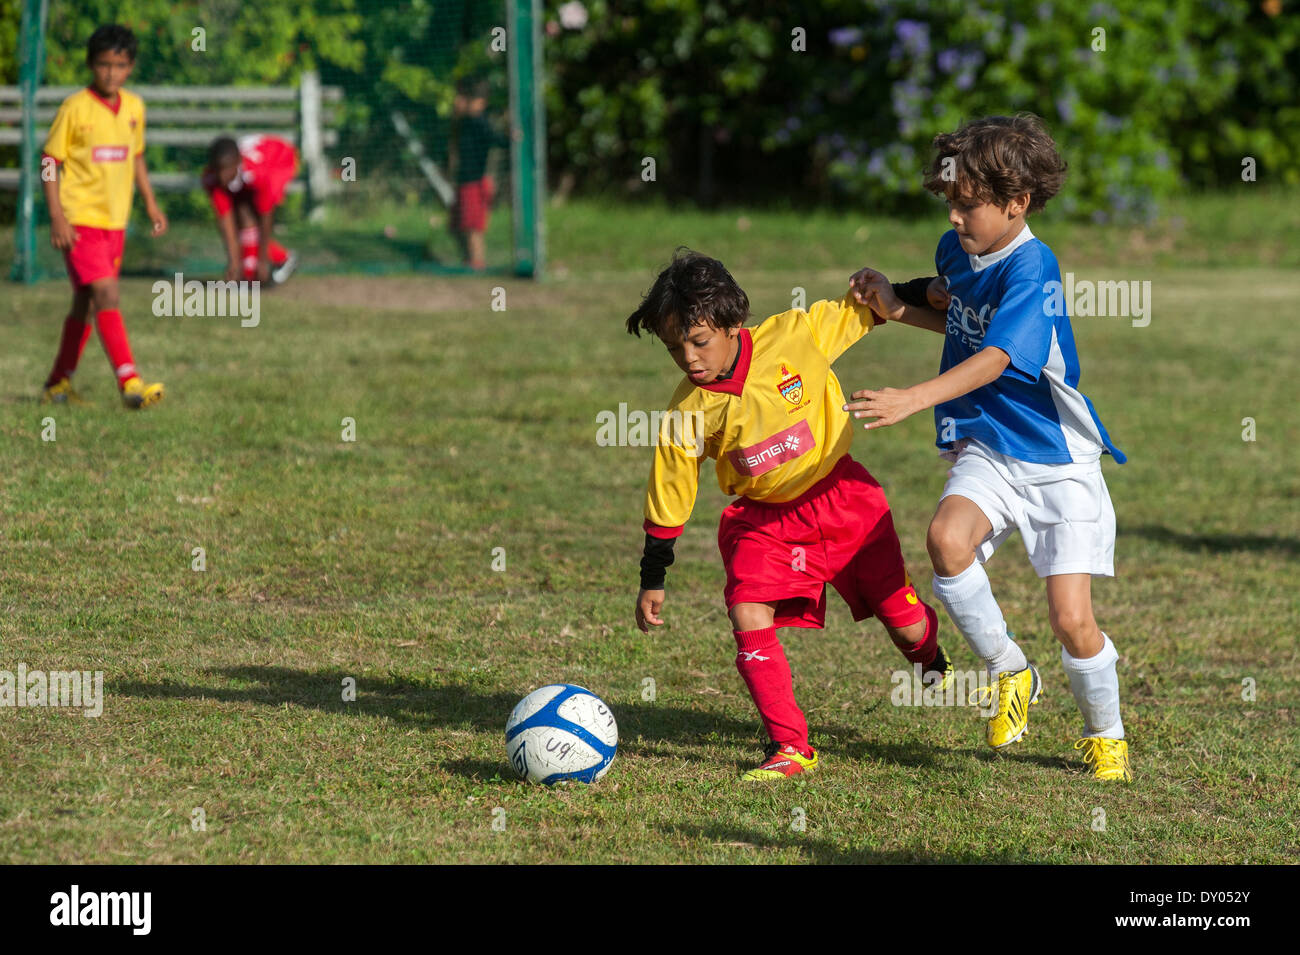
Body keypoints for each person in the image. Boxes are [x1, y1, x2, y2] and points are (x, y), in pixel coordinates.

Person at [845, 114, 1132, 781]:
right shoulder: (960, 250)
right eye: (948, 201)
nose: (953, 216)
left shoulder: (1034, 267)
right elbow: (955, 310)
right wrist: (894, 303)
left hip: (1057, 459)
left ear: (1016, 203)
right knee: (946, 539)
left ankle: (1107, 734)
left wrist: (913, 396)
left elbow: (1001, 354)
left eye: (966, 204)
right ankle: (1010, 671)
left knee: (1070, 619)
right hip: (990, 445)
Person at [628, 249, 952, 782]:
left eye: (699, 340)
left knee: (906, 622)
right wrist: (653, 577)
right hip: (765, 523)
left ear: (733, 323)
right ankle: (790, 746)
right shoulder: (686, 412)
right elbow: (670, 492)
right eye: (674, 347)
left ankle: (931, 660)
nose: (688, 357)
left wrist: (926, 288)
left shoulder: (795, 336)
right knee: (746, 610)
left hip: (845, 500)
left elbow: (869, 306)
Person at [41, 24, 167, 409]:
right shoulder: (74, 108)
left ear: (130, 67)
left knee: (86, 301)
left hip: (115, 222)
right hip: (80, 221)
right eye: (103, 64)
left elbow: (137, 155)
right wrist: (58, 216)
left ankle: (57, 384)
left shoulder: (134, 108)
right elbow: (49, 161)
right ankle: (129, 381)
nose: (111, 73)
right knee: (107, 292)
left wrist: (149, 202)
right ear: (91, 65)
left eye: (120, 65)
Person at [201, 134, 299, 284]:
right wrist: (233, 262)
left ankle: (276, 260)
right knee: (243, 216)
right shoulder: (210, 178)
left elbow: (266, 215)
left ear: (238, 163)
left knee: (249, 214)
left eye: (226, 170)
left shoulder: (257, 174)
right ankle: (253, 269)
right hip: (257, 164)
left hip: (280, 159)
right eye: (217, 170)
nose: (221, 177)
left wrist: (262, 261)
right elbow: (225, 220)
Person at [450, 80, 507, 271]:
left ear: (479, 102)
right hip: (464, 182)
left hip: (475, 182)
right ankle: (468, 260)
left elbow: (497, 139)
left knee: (473, 227)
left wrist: (511, 136)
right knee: (457, 226)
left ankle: (477, 263)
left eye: (464, 99)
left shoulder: (479, 123)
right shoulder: (463, 122)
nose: (458, 102)